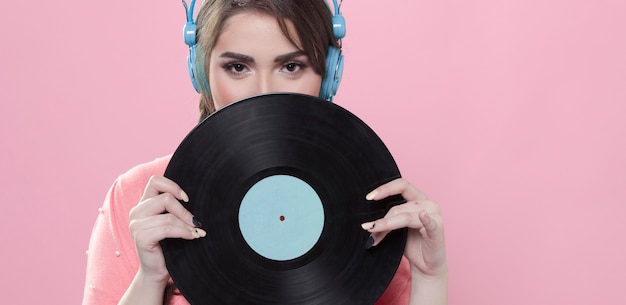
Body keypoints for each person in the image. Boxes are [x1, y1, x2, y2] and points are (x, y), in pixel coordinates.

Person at [81, 1, 448, 304]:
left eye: (291, 66)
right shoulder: (140, 200)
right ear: (201, 73)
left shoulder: (373, 207)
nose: (263, 91)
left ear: (329, 74)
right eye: (237, 67)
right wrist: (149, 281)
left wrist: (431, 277)